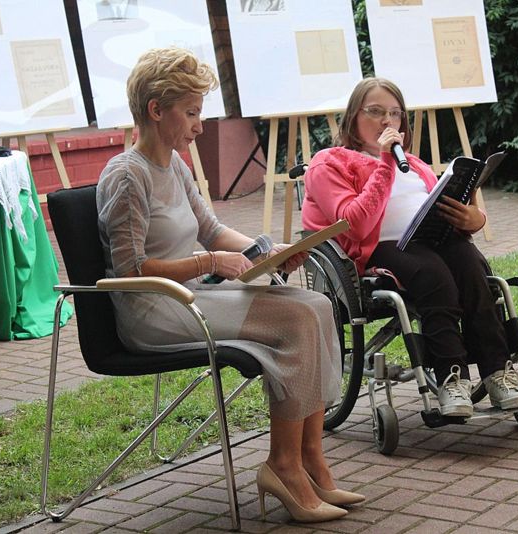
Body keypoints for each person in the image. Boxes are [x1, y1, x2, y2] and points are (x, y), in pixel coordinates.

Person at [96, 48, 363, 523]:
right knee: (296, 319)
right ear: (156, 110)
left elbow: (213, 230)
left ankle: (311, 459)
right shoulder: (127, 175)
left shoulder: (174, 166)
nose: (199, 126)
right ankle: (284, 466)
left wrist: (268, 249)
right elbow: (129, 270)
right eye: (191, 113)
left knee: (318, 305)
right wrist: (209, 262)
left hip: (192, 297)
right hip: (153, 310)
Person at [302, 77, 518, 419]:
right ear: (353, 117)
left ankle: (498, 371)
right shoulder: (330, 162)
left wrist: (474, 218)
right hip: (378, 248)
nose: (387, 121)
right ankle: (452, 377)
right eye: (375, 111)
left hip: (431, 240)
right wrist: (385, 162)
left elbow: (441, 209)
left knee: (473, 269)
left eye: (395, 113)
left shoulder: (414, 164)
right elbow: (355, 223)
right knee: (432, 275)